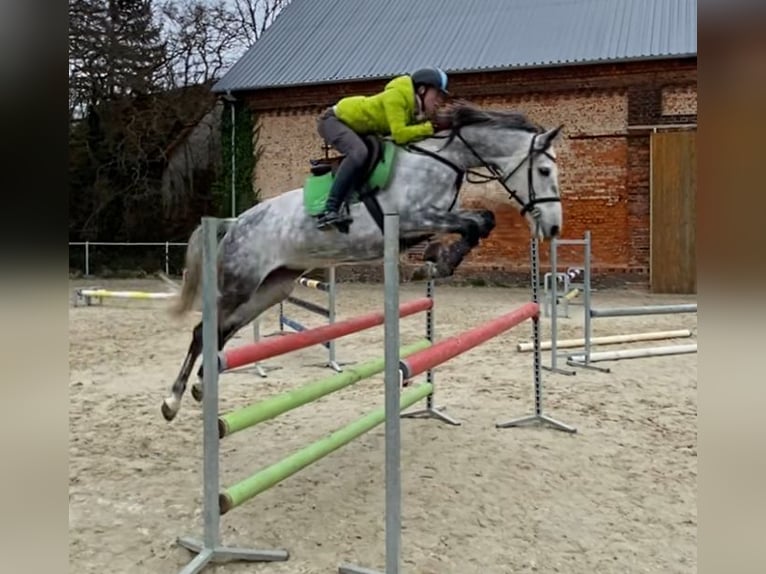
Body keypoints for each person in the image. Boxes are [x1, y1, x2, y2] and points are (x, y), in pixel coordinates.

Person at [315, 67, 451, 230]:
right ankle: (331, 209)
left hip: (358, 128)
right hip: (334, 120)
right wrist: (431, 128)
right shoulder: (397, 96)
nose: (439, 102)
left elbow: (412, 136)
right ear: (422, 89)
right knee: (359, 152)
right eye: (437, 95)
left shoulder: (415, 110)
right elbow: (400, 134)